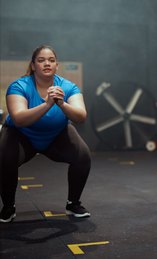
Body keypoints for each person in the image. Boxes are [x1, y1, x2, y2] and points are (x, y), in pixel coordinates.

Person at [0, 45, 92, 223]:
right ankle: (8, 207)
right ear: (33, 65)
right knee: (4, 159)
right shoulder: (19, 86)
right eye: (41, 60)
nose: (46, 63)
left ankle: (73, 203)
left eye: (51, 60)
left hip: (55, 135)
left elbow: (81, 116)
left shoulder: (68, 87)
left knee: (83, 156)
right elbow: (19, 119)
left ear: (57, 65)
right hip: (21, 135)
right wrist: (47, 104)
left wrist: (62, 104)